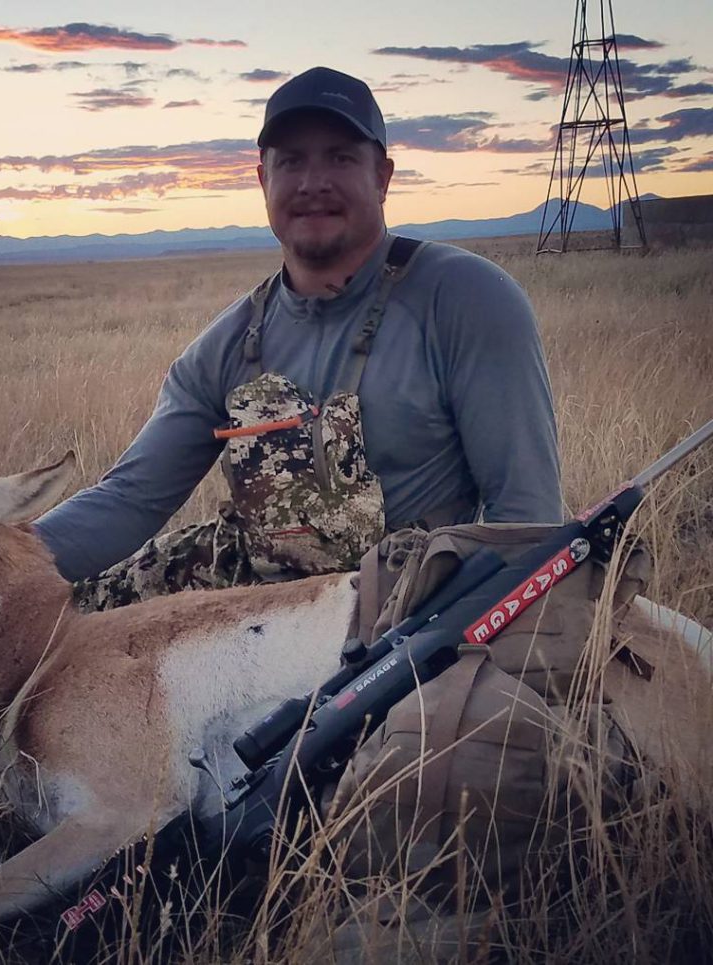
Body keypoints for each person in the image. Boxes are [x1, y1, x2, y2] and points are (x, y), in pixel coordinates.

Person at [34, 66, 562, 611]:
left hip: (401, 617)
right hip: (256, 615)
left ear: (382, 176)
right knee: (64, 623)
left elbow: (524, 513)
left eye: (340, 156)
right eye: (291, 161)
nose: (313, 183)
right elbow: (130, 498)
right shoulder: (224, 346)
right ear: (264, 180)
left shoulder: (467, 298)